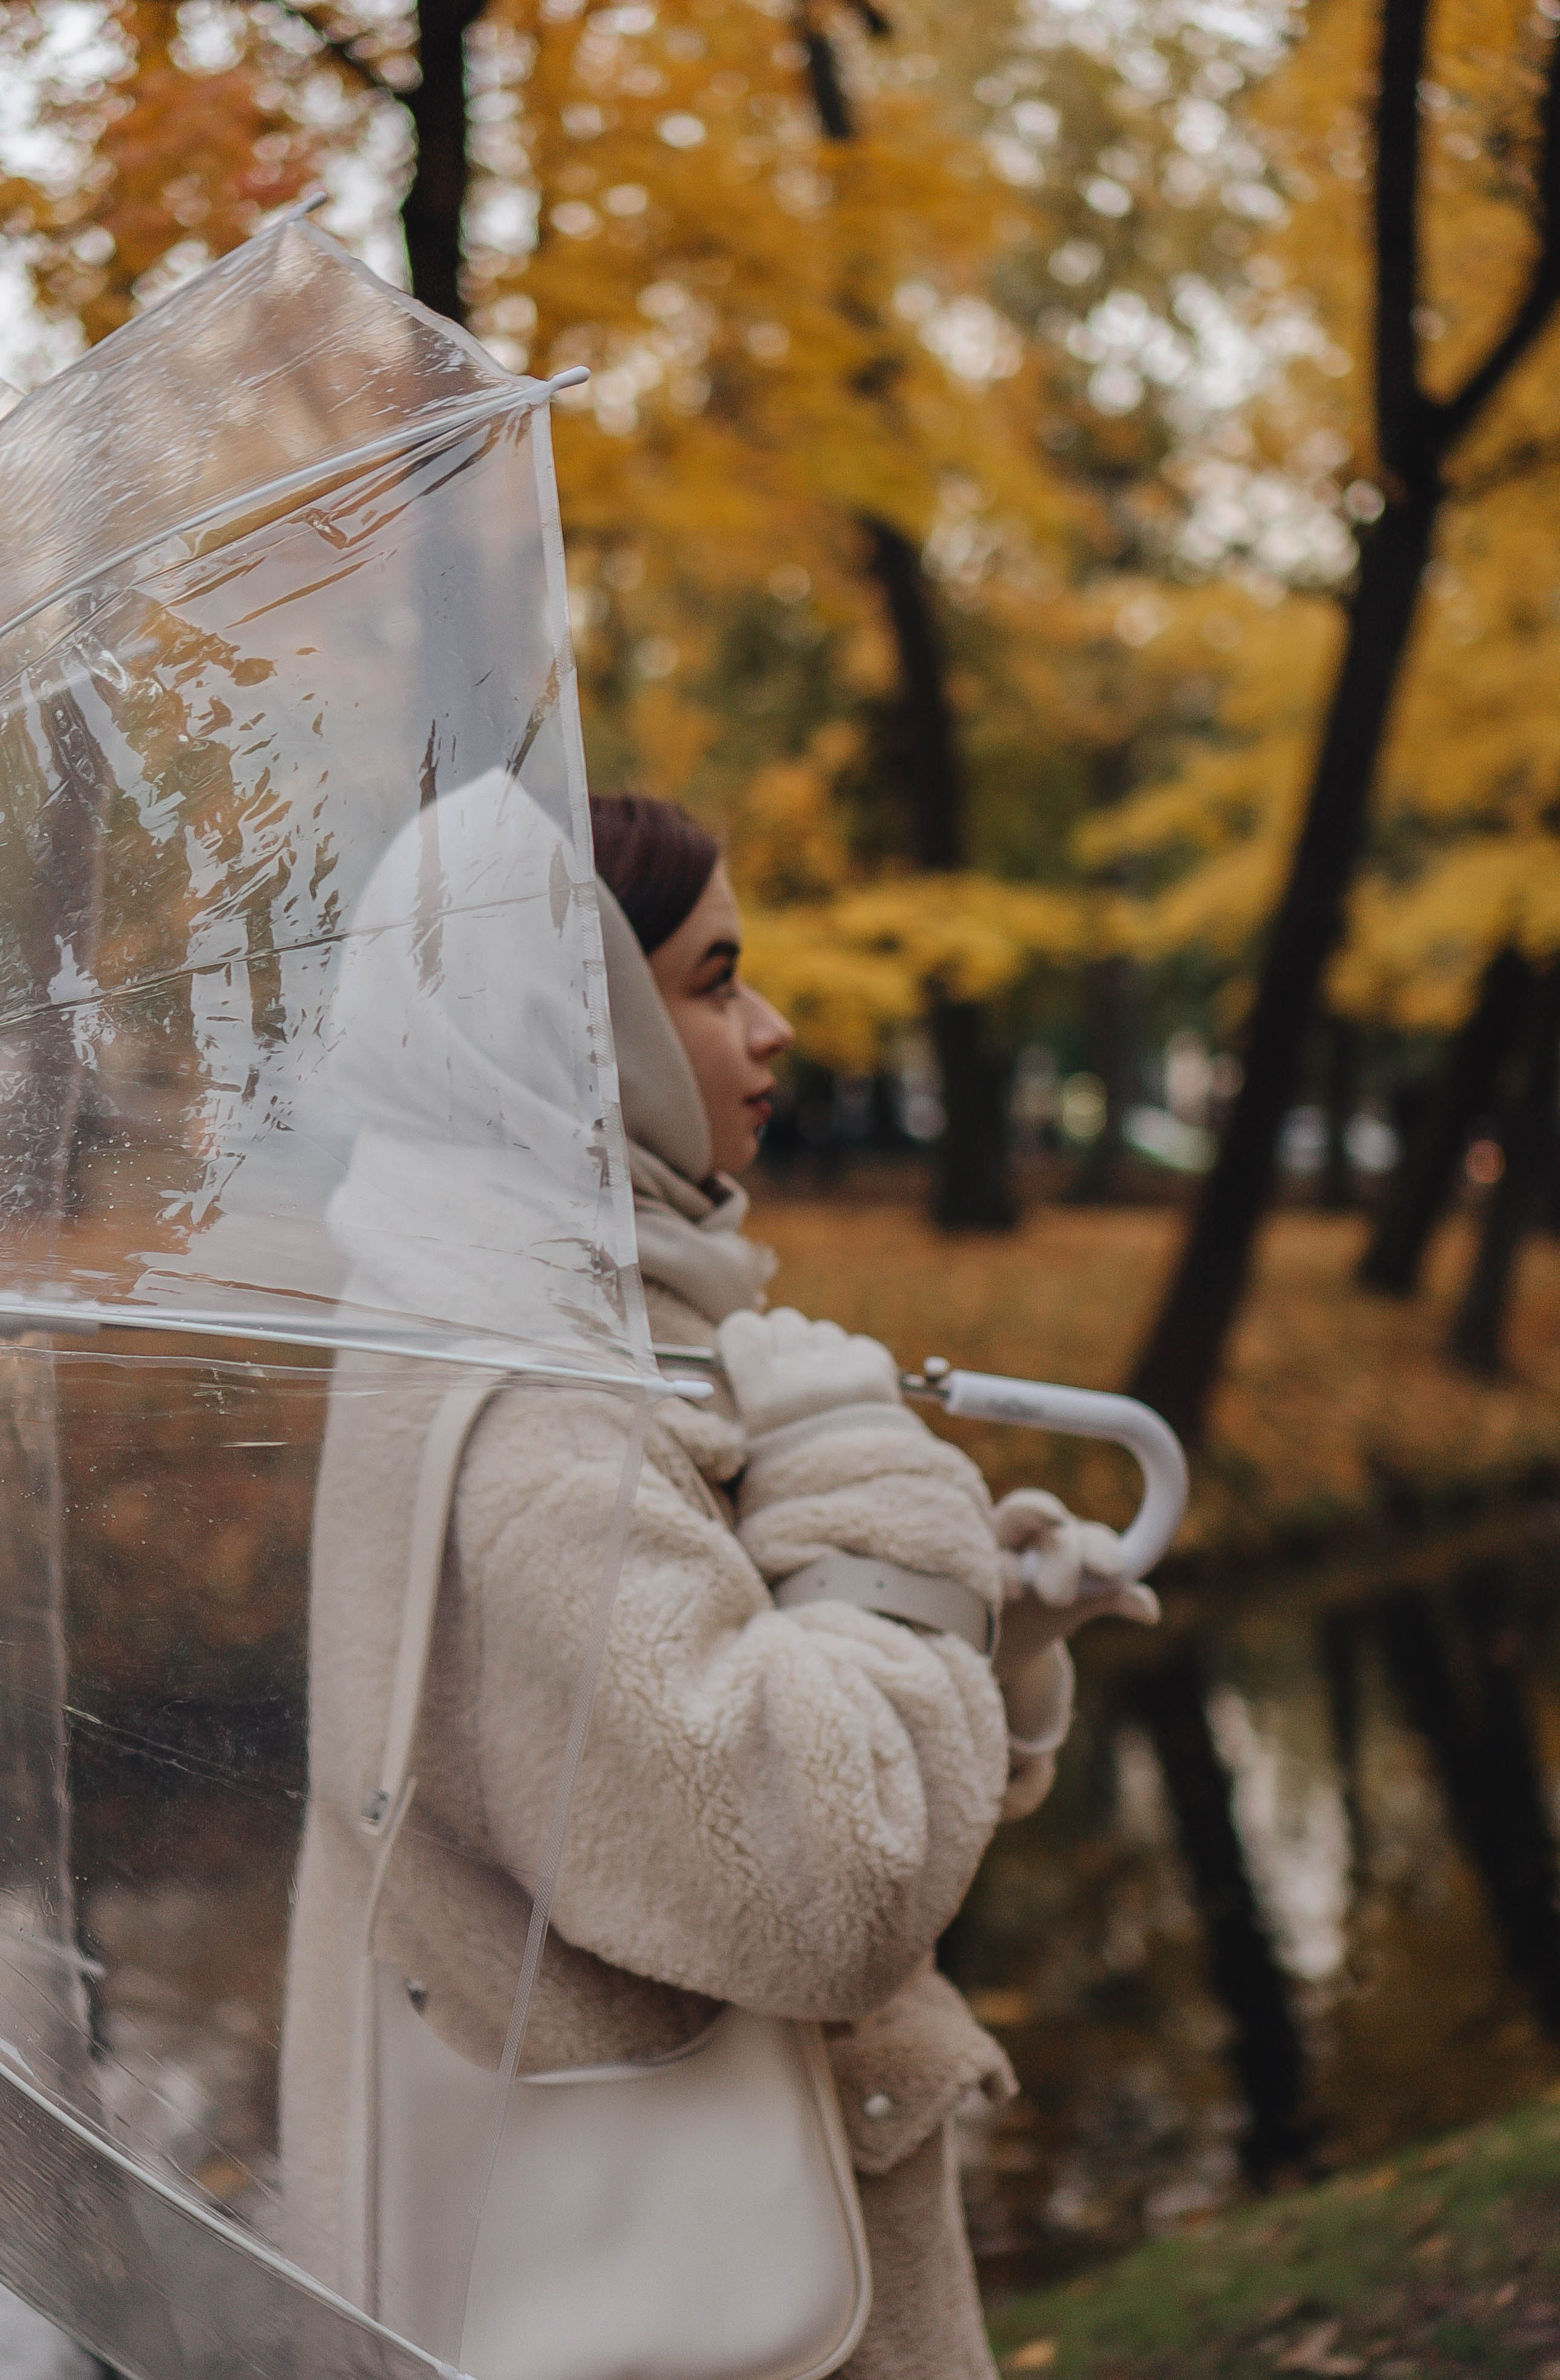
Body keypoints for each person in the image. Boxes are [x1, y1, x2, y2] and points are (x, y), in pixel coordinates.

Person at [281, 783, 1156, 2379]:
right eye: (711, 981)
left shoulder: (519, 1319)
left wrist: (980, 1628)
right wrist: (863, 1483)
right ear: (576, 1028)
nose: (774, 1025)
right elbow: (830, 1873)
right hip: (728, 2317)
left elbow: (645, 1772)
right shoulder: (537, 1419)